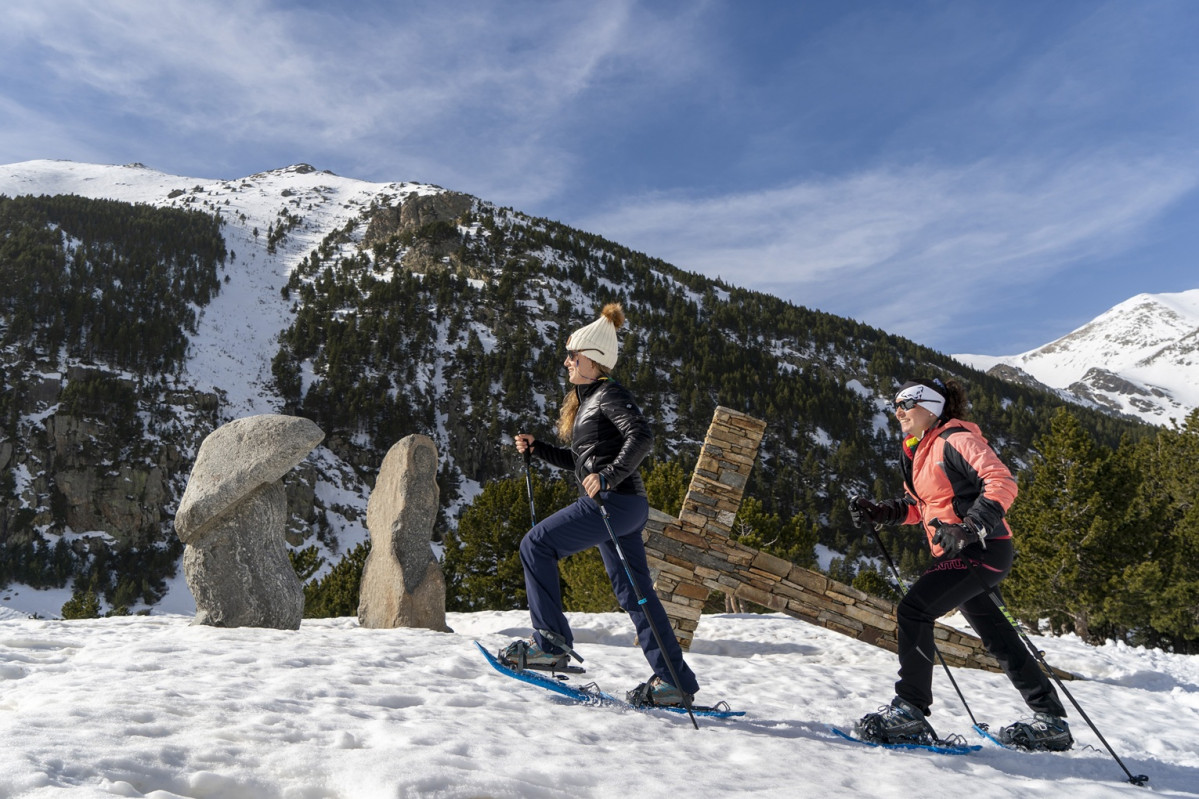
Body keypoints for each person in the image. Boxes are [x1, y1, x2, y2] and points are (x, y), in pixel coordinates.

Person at [848, 377, 1073, 751]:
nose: (898, 411)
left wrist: (969, 528)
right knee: (999, 637)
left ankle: (910, 710)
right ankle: (1051, 722)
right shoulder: (919, 450)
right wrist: (882, 511)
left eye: (906, 402)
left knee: (914, 610)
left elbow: (1001, 482)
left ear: (932, 406)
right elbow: (922, 507)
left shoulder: (956, 439)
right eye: (895, 405)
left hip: (981, 549)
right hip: (961, 552)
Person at [503, 302, 700, 708]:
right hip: (625, 506)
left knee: (536, 544)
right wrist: (539, 449)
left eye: (572, 357)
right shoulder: (588, 401)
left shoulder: (608, 394)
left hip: (613, 501)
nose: (566, 363)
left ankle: (550, 645)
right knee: (635, 593)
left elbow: (641, 436)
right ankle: (673, 683)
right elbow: (581, 462)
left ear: (593, 361)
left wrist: (609, 475)